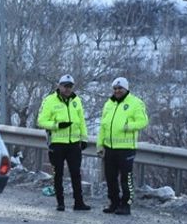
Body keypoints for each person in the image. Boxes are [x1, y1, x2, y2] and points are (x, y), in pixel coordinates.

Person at [36, 74, 90, 212]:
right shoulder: (49, 100)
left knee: (76, 173)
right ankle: (60, 203)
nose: (67, 89)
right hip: (57, 144)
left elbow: (81, 121)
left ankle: (79, 203)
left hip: (74, 144)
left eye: (70, 86)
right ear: (59, 86)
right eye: (65, 86)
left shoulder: (76, 100)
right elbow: (41, 121)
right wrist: (57, 125)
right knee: (58, 174)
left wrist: (84, 138)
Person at [97, 76, 149, 216]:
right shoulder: (109, 104)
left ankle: (126, 205)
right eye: (115, 88)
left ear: (126, 89)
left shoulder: (135, 103)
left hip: (126, 148)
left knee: (126, 178)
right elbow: (103, 126)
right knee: (110, 177)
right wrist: (100, 145)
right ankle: (114, 203)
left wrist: (128, 126)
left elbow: (143, 121)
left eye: (120, 88)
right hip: (109, 147)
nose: (117, 91)